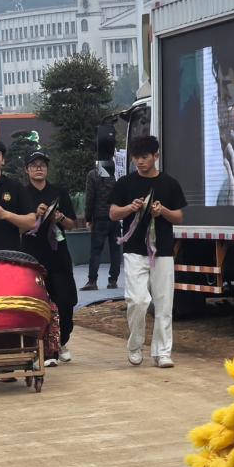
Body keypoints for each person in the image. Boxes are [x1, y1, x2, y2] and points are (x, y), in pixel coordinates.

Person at [107, 135, 185, 368]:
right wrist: (129, 208)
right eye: (136, 158)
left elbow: (179, 217)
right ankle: (135, 345)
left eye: (144, 157)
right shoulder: (125, 183)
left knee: (164, 303)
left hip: (163, 251)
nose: (140, 162)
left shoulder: (169, 183)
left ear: (155, 156)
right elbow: (113, 213)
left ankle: (162, 352)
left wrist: (163, 212)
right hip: (134, 250)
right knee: (138, 300)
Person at [21, 151, 78, 364]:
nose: (39, 168)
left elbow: (72, 224)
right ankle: (43, 348)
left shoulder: (59, 192)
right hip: (32, 255)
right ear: (27, 170)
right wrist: (34, 216)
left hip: (58, 254)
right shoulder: (22, 194)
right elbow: (16, 226)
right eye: (34, 165)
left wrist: (59, 217)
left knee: (65, 300)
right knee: (37, 302)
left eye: (42, 165)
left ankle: (61, 340)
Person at [83, 144, 121, 289]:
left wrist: (88, 218)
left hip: (99, 218)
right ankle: (113, 280)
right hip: (115, 217)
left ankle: (92, 281)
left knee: (96, 250)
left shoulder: (93, 175)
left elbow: (90, 199)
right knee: (115, 250)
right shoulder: (116, 175)